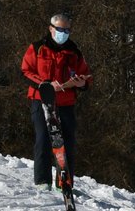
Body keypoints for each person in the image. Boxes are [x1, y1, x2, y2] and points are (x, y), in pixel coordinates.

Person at [20, 13, 90, 190]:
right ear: (51, 28)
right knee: (43, 140)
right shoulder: (37, 48)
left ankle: (64, 182)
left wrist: (83, 82)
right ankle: (42, 182)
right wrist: (44, 85)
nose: (63, 33)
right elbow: (25, 71)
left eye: (67, 30)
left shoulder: (74, 51)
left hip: (66, 102)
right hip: (42, 100)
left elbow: (85, 74)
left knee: (66, 142)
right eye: (60, 29)